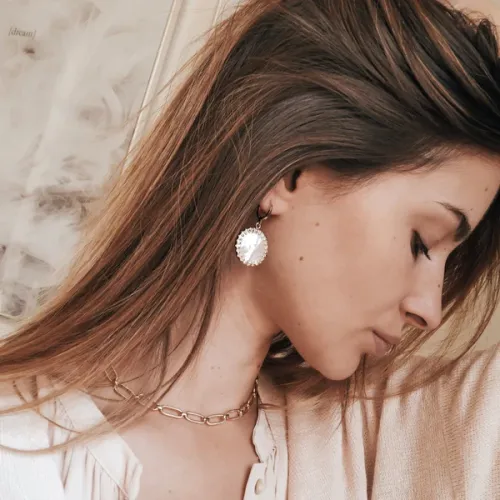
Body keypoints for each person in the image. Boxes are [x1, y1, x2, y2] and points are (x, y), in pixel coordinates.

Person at [1, 0, 500, 498]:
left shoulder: (373, 431)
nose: (429, 309)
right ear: (289, 175)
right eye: (420, 243)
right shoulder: (21, 444)